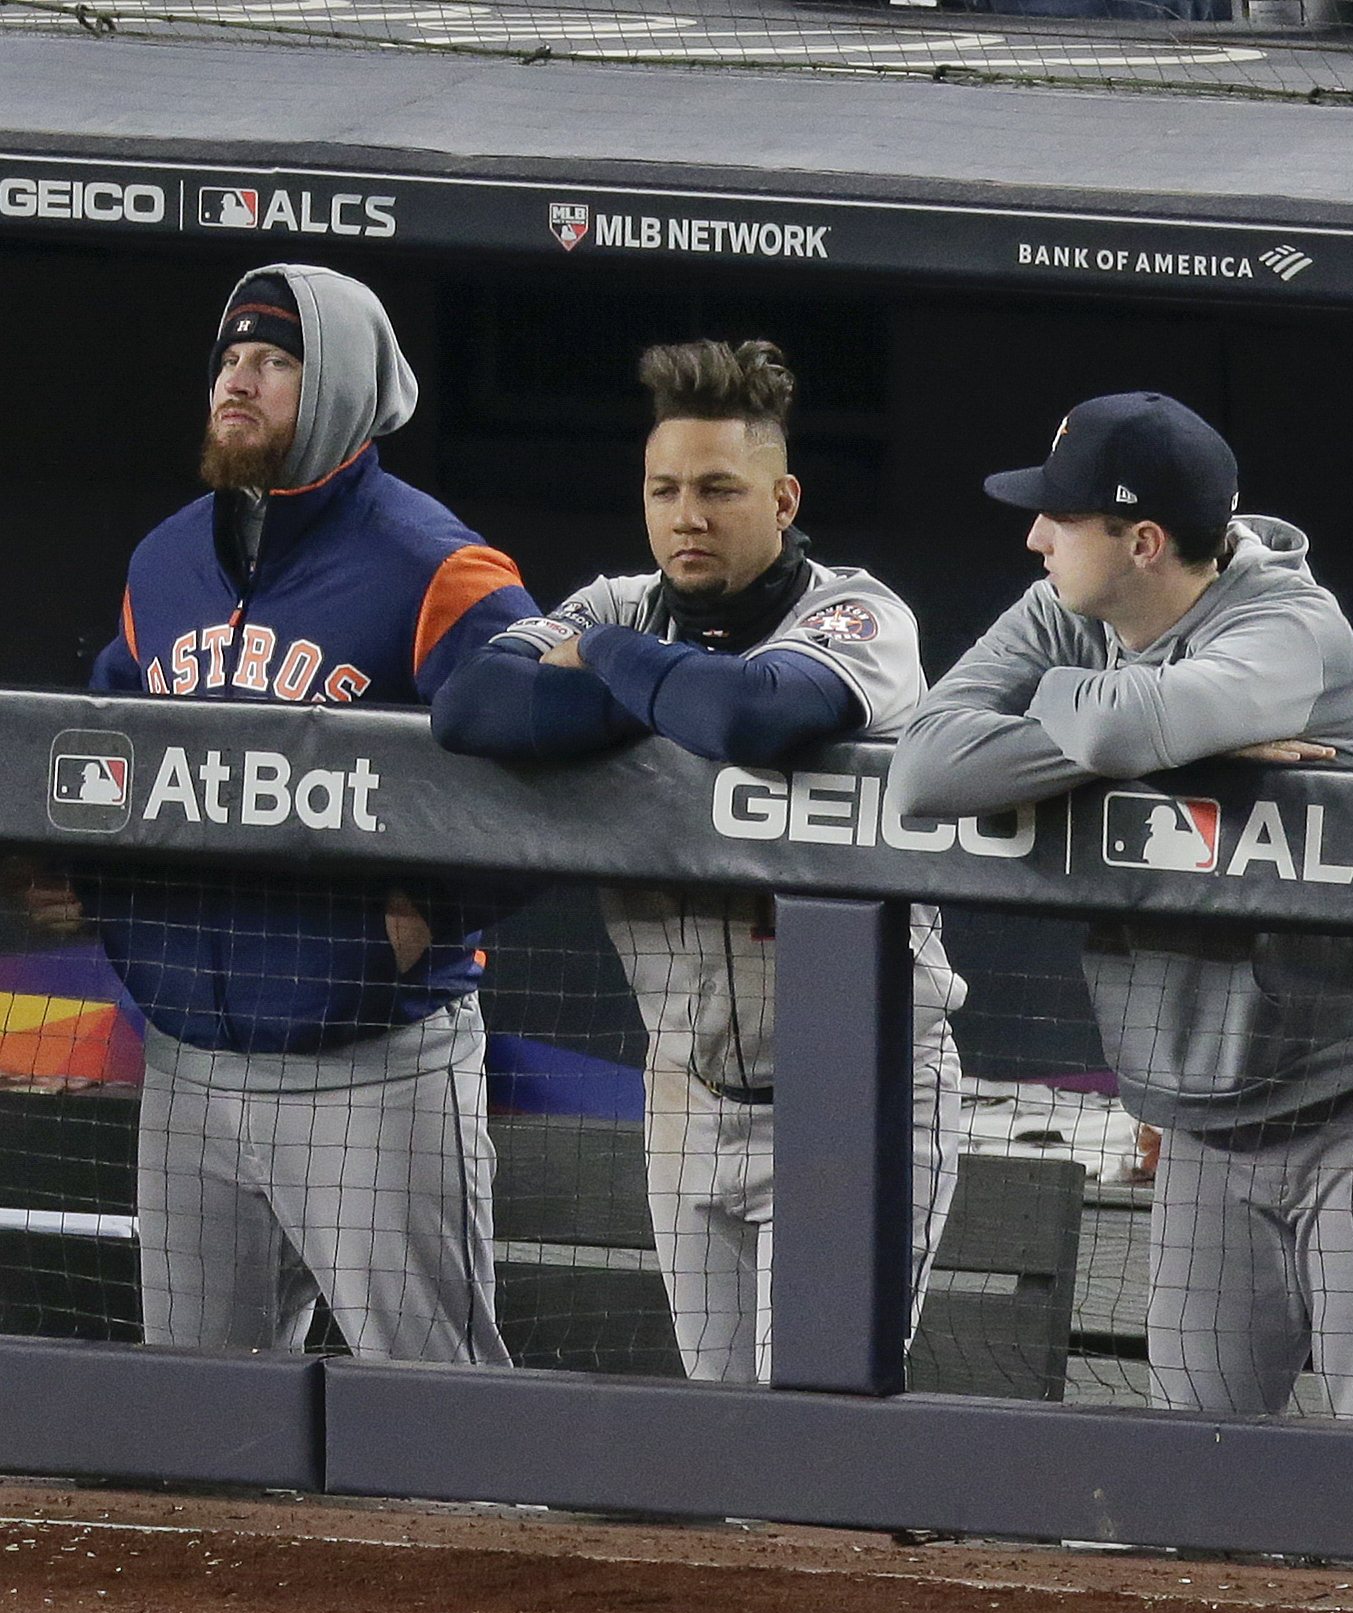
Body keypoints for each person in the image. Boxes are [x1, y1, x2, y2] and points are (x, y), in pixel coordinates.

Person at [889, 391, 1353, 1423]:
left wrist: (1120, 732)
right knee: (1194, 1477)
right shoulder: (1065, 611)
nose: (1034, 537)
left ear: (1145, 541)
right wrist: (1158, 735)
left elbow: (1125, 733)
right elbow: (929, 765)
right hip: (1205, 1111)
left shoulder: (1294, 629)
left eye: (1061, 518)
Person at [431, 339, 965, 1385]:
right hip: (687, 1092)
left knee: (809, 1424)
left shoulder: (856, 616)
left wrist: (622, 673)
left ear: (782, 496)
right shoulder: (615, 601)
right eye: (665, 489)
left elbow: (756, 715)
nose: (688, 516)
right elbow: (470, 707)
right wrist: (662, 682)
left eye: (720, 490)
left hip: (858, 1093)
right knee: (718, 1426)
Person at [41, 264, 541, 1362]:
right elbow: (107, 754)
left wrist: (430, 913)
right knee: (195, 1425)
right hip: (186, 1067)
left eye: (274, 361)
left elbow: (555, 770)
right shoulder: (163, 561)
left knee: (436, 1414)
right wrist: (97, 890)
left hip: (372, 1069)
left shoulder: (439, 567)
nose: (239, 381)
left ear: (343, 391)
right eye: (229, 358)